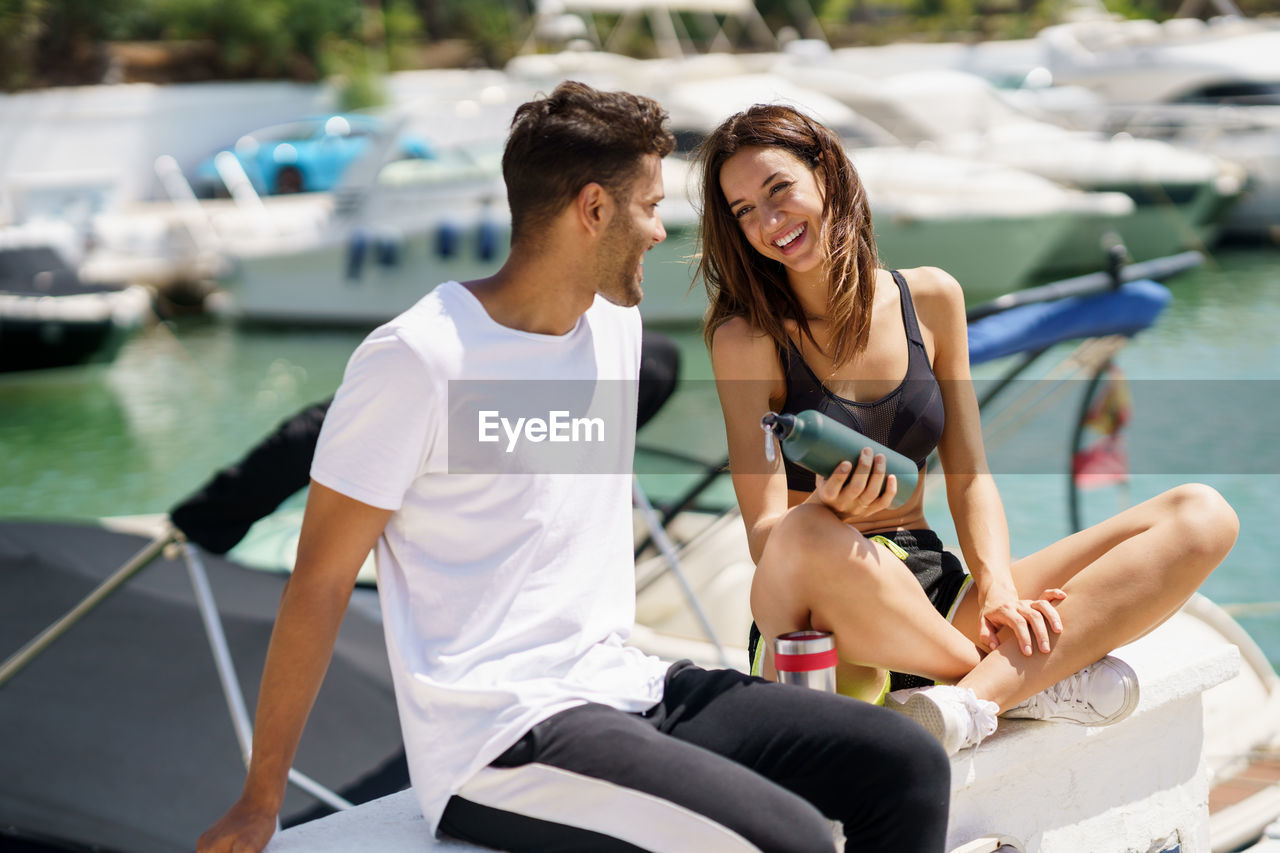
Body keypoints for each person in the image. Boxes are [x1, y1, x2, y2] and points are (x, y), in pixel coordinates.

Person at [197, 82, 952, 853]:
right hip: (499, 736)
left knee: (903, 762)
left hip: (628, 683)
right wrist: (262, 799)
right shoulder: (418, 358)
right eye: (650, 206)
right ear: (594, 209)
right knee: (785, 836)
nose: (663, 231)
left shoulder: (614, 327)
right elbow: (319, 580)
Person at [695, 103, 1240, 755]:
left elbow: (970, 475)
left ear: (827, 174)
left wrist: (1001, 590)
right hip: (824, 610)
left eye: (778, 190)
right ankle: (1014, 684)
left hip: (934, 592)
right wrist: (822, 505)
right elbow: (763, 536)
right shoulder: (745, 339)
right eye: (744, 210)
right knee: (807, 530)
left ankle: (969, 697)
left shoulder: (930, 298)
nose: (768, 220)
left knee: (1201, 515)